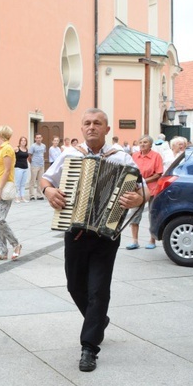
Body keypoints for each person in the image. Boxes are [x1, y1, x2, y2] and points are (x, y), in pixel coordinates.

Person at [41, 108, 146, 372]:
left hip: (106, 234)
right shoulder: (70, 155)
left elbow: (141, 189)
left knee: (98, 290)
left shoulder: (121, 157)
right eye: (87, 123)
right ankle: (98, 320)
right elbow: (46, 178)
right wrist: (49, 190)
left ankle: (89, 348)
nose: (91, 127)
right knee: (74, 286)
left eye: (97, 123)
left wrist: (139, 198)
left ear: (107, 129)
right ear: (81, 128)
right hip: (74, 230)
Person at [0, 125, 21, 261]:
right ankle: (2, 251)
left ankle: (16, 244)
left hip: (4, 187)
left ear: (0, 134)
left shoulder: (7, 149)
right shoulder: (2, 149)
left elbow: (7, 171)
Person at [126, 135, 163, 250]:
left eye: (145, 142)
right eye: (140, 142)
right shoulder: (134, 156)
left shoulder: (156, 156)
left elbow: (158, 174)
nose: (142, 144)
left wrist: (144, 181)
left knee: (152, 214)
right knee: (135, 214)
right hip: (137, 188)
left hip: (152, 189)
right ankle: (135, 241)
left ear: (151, 144)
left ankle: (152, 240)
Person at [27, 134, 46, 200]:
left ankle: (39, 194)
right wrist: (32, 163)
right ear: (35, 139)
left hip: (41, 165)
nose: (38, 139)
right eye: (37, 138)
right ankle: (31, 195)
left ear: (42, 138)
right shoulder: (33, 146)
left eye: (39, 138)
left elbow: (43, 154)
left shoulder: (43, 146)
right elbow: (29, 156)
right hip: (34, 165)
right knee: (33, 180)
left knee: (40, 181)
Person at [14, 136, 30, 203]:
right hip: (18, 168)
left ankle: (22, 197)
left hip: (25, 167)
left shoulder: (26, 149)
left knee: (23, 184)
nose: (23, 141)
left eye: (24, 140)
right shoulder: (17, 149)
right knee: (17, 183)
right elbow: (11, 155)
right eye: (22, 140)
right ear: (20, 141)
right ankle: (16, 197)